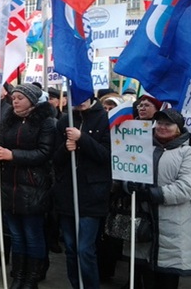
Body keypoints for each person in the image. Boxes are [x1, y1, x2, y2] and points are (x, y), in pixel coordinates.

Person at [124, 109, 191, 289]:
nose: (162, 127)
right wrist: (129, 186)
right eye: (159, 123)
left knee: (167, 280)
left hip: (173, 226)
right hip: (144, 224)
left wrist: (152, 194)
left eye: (168, 124)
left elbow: (187, 187)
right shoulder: (141, 147)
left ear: (178, 129)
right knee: (145, 278)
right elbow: (125, 172)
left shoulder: (187, 152)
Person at [0, 84, 55, 289]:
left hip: (33, 187)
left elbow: (44, 153)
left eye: (20, 97)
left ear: (32, 100)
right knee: (17, 235)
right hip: (11, 185)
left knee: (32, 234)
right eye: (14, 97)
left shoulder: (46, 122)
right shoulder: (8, 121)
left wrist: (13, 155)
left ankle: (31, 279)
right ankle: (18, 276)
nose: (15, 101)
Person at [53, 96, 111, 289]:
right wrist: (64, 148)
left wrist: (82, 138)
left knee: (85, 249)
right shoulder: (64, 120)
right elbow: (55, 159)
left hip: (92, 194)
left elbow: (106, 156)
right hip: (67, 194)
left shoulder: (105, 118)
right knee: (70, 249)